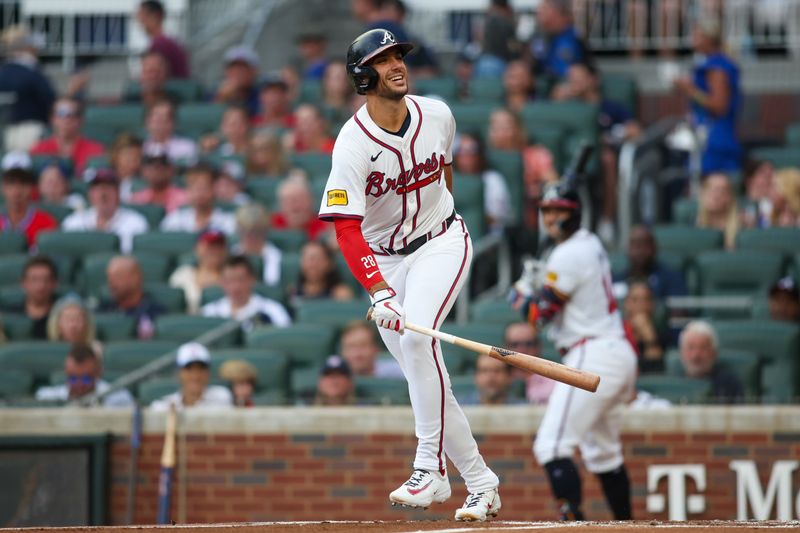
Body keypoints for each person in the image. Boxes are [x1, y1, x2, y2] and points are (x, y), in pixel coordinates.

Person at [318, 29, 501, 521]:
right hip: (385, 259)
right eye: (382, 60)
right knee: (427, 375)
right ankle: (481, 482)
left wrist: (437, 220)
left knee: (421, 346)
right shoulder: (352, 144)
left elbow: (444, 174)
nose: (397, 64)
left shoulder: (437, 113)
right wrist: (379, 290)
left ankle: (430, 468)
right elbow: (346, 230)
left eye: (399, 55)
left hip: (441, 240)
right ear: (362, 77)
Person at [515, 182, 637, 521]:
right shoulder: (589, 242)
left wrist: (521, 291)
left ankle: (574, 525)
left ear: (575, 214)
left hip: (592, 352)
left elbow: (539, 316)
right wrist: (542, 283)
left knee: (551, 446)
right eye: (547, 211)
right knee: (603, 453)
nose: (552, 218)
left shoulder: (568, 253)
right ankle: (627, 525)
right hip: (613, 351)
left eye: (560, 211)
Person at [552, 62, 642, 243]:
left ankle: (607, 221)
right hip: (573, 158)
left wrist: (613, 135)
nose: (573, 83)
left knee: (607, 158)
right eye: (571, 79)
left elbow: (636, 130)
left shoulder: (610, 107)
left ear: (593, 80)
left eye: (579, 78)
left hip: (604, 159)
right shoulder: (569, 108)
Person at [673, 20, 742, 175]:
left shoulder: (718, 66)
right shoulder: (708, 63)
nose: (692, 39)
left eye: (697, 35)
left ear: (709, 38)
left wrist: (690, 90)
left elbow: (719, 105)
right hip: (705, 137)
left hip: (715, 140)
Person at [61, 169, 149, 253]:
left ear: (118, 193)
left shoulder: (135, 222)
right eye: (97, 189)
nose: (102, 194)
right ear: (90, 195)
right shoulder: (74, 222)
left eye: (108, 188)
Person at [0, 25, 56, 151]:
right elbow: (50, 101)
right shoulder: (31, 72)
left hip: (7, 130)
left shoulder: (4, 71)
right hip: (30, 129)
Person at [201, 255, 291, 327]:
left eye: (241, 280)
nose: (235, 286)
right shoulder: (209, 313)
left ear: (252, 280)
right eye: (229, 281)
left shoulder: (273, 310)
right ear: (221, 282)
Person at [35, 342, 134, 407]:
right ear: (66, 373)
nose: (79, 385)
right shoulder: (47, 398)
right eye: (73, 378)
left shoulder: (119, 398)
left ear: (98, 373)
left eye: (86, 379)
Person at [29, 97, 105, 176]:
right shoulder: (39, 149)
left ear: (81, 120)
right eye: (61, 113)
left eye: (72, 114)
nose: (66, 120)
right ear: (52, 119)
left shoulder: (95, 150)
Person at [453, 132, 512, 234]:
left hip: (487, 240)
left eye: (471, 150)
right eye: (460, 150)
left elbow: (498, 218)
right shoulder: (451, 180)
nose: (465, 155)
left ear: (480, 154)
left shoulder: (493, 180)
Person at [613, 225, 687, 303]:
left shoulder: (672, 279)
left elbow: (679, 312)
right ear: (628, 249)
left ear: (654, 248)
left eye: (644, 245)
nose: (639, 251)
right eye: (635, 245)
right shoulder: (617, 280)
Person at [98, 255, 166, 339]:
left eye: (118, 276)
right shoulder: (102, 311)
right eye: (109, 277)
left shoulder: (158, 313)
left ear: (136, 277)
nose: (111, 283)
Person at [150, 342, 233, 410]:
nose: (195, 376)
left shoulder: (222, 398)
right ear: (179, 373)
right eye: (189, 369)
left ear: (208, 372)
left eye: (200, 369)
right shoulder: (163, 406)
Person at [529, 0, 592, 88]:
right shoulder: (538, 37)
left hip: (569, 87)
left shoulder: (574, 37)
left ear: (558, 12)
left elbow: (586, 70)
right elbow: (531, 66)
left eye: (545, 9)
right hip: (542, 88)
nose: (539, 12)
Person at [160, 163, 236, 235]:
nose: (199, 192)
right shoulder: (175, 219)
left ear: (214, 189)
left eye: (204, 186)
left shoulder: (227, 222)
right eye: (193, 186)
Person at [679, 320, 744, 404]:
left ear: (714, 353)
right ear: (682, 353)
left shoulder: (730, 385)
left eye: (702, 348)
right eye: (690, 348)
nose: (696, 355)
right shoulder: (673, 384)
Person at [169, 230, 228, 315]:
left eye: (219, 246)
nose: (214, 250)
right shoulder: (182, 275)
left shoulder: (235, 278)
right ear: (197, 248)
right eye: (209, 245)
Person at [0, 256, 59, 339]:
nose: (40, 286)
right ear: (23, 283)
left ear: (55, 283)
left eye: (46, 280)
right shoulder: (8, 314)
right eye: (34, 280)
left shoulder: (62, 317)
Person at [0, 167, 57, 249]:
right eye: (11, 185)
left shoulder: (46, 222)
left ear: (31, 189)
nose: (17, 191)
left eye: (23, 185)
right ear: (3, 189)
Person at [503, 321, 554, 405]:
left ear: (538, 347)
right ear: (505, 348)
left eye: (528, 344)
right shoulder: (496, 378)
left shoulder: (555, 383)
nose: (522, 350)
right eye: (515, 344)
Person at [232, 204, 282, 287]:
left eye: (255, 232)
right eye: (243, 231)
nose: (249, 237)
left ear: (264, 232)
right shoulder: (233, 253)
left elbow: (272, 284)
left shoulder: (275, 256)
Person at [136, 0, 189, 78]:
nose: (140, 22)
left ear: (155, 16)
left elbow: (156, 79)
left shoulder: (161, 44)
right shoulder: (168, 42)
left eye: (142, 16)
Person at [289, 241, 354, 303]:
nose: (312, 264)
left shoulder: (341, 295)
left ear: (329, 263)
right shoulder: (292, 292)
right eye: (308, 259)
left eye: (318, 259)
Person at [623, 279, 666, 373]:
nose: (641, 305)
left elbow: (655, 372)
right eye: (635, 300)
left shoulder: (662, 334)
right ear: (626, 304)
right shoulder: (618, 333)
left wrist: (650, 339)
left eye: (646, 299)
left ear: (653, 304)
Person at [272, 173, 329, 240]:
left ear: (310, 200)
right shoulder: (272, 226)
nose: (294, 205)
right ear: (280, 205)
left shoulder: (324, 226)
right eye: (287, 201)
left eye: (299, 199)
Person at [338, 320, 403, 378]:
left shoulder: (400, 373)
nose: (357, 354)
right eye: (351, 347)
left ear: (376, 348)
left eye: (363, 346)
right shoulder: (331, 375)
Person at [142, 99, 198, 165]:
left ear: (174, 123)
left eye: (165, 119)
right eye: (156, 120)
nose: (160, 124)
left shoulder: (187, 146)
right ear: (146, 122)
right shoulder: (140, 148)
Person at [474, 0, 521, 78]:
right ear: (507, 8)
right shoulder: (507, 24)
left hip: (482, 63)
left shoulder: (486, 23)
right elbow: (514, 48)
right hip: (498, 64)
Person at [696, 172, 739, 249]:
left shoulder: (742, 228)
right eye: (709, 188)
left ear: (729, 197)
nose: (715, 195)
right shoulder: (692, 225)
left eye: (721, 190)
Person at [215, 46, 260, 117]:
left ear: (254, 71)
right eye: (233, 68)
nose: (237, 73)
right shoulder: (214, 93)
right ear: (226, 72)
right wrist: (222, 98)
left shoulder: (261, 95)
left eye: (242, 68)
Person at [109, 133, 144, 202]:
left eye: (137, 156)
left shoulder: (144, 184)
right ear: (116, 155)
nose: (132, 160)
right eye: (128, 155)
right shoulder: (104, 177)